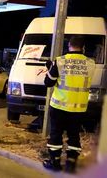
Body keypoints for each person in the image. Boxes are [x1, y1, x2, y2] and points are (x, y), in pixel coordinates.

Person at [43, 35, 96, 173]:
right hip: (79, 108)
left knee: (56, 134)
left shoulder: (60, 61)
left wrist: (50, 68)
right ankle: (71, 164)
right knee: (74, 135)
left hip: (59, 106)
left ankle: (54, 163)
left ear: (69, 46)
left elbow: (48, 83)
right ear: (83, 48)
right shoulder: (91, 63)